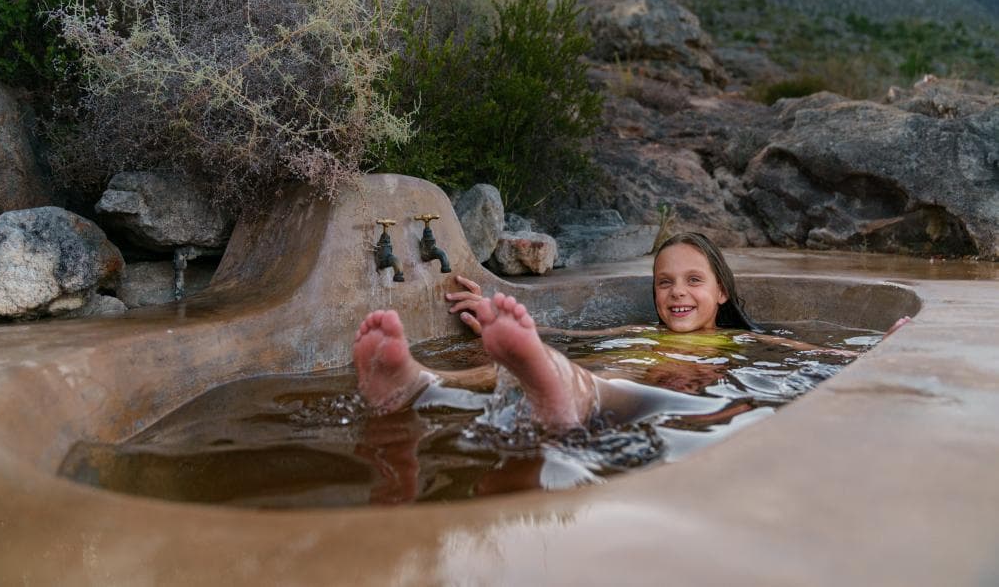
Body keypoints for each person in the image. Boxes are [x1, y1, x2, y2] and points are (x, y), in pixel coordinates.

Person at [352, 232, 910, 431]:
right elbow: (560, 329)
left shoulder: (736, 341)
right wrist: (500, 316)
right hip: (620, 369)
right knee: (541, 363)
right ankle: (423, 379)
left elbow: (814, 355)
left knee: (604, 375)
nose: (677, 293)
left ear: (722, 292)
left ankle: (558, 384)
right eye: (665, 282)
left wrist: (880, 352)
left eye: (694, 280)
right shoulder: (638, 333)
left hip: (674, 394)